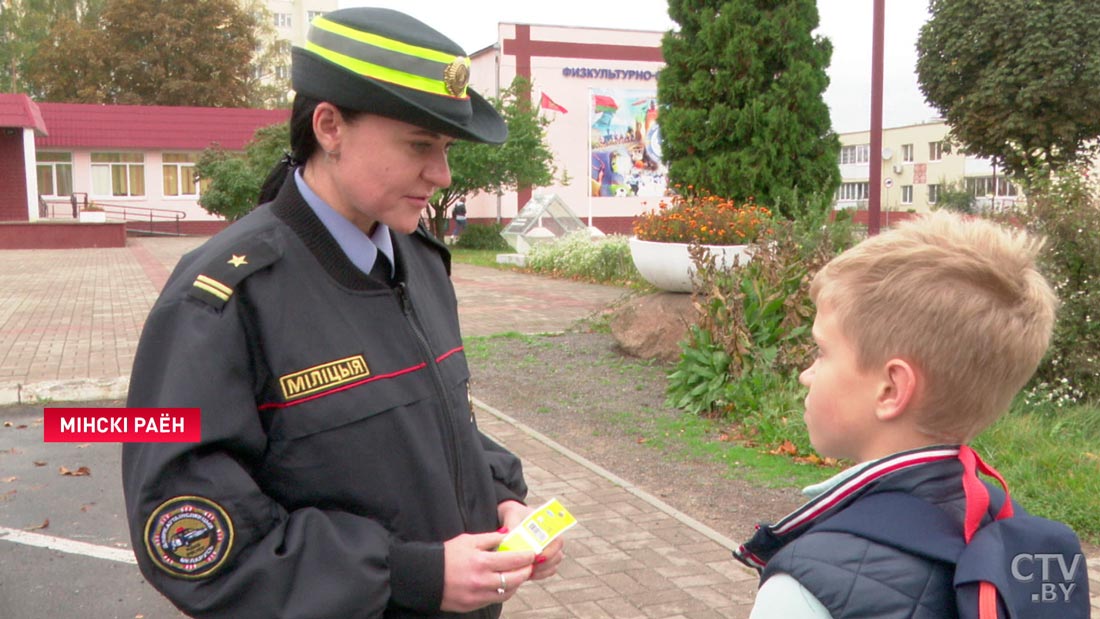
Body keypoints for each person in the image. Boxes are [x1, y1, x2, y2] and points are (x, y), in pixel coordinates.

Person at [121, 8, 563, 619]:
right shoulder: (222, 297)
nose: (442, 174)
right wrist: (408, 575)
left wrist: (500, 498)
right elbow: (188, 532)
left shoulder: (419, 260)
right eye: (419, 145)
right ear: (329, 126)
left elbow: (428, 420)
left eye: (446, 148)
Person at [734, 211, 1059, 618]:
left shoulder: (804, 590)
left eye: (822, 351)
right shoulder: (1006, 528)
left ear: (890, 389)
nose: (806, 375)